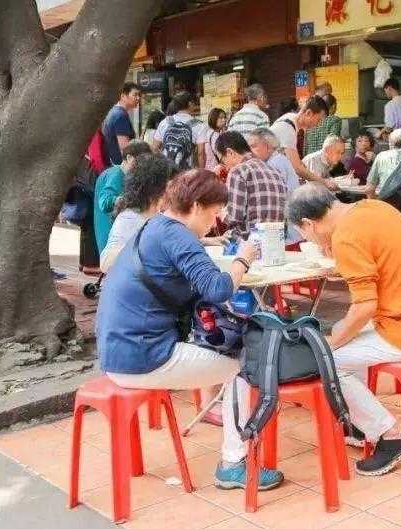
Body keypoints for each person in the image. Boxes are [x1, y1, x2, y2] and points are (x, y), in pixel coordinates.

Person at [94, 170, 281, 491]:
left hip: (117, 353)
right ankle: (234, 463)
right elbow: (219, 289)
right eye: (213, 214)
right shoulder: (178, 235)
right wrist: (243, 260)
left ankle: (233, 447)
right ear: (195, 206)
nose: (215, 223)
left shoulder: (154, 227)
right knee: (248, 362)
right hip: (144, 357)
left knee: (233, 352)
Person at [287, 185, 401, 475]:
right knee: (342, 334)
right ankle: (358, 425)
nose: (308, 239)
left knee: (327, 361)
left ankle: (390, 432)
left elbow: (364, 308)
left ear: (309, 224)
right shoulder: (373, 208)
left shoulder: (347, 236)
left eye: (305, 234)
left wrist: (329, 344)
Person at [100, 154, 179, 272]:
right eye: (171, 186)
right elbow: (106, 262)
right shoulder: (130, 217)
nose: (175, 192)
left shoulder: (154, 215)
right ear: (154, 188)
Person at [214, 131, 287, 240]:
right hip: (276, 243)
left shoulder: (238, 172)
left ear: (230, 152)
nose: (224, 165)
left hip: (249, 246)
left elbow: (233, 218)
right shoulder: (276, 172)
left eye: (221, 160)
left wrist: (218, 211)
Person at [245, 128, 303, 247]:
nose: (250, 152)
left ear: (267, 146)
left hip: (287, 235)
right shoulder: (278, 160)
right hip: (288, 229)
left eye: (253, 146)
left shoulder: (274, 165)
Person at [94, 141, 153, 255]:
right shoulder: (116, 174)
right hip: (111, 235)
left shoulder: (118, 173)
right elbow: (105, 202)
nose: (144, 166)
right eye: (142, 161)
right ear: (130, 158)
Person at [270, 95, 336, 189]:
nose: (317, 125)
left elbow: (294, 161)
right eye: (318, 120)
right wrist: (324, 182)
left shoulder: (290, 118)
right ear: (308, 113)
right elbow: (298, 168)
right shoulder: (288, 128)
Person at [155, 92, 207, 169]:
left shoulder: (165, 122)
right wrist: (202, 172)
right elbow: (201, 153)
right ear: (190, 103)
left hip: (167, 171)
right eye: (194, 103)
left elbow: (155, 148)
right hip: (186, 172)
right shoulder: (199, 125)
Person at [101, 82, 142, 166]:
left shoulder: (113, 111)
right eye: (135, 95)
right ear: (123, 96)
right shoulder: (120, 115)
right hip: (121, 166)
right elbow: (125, 148)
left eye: (139, 95)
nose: (138, 98)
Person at [366, 128, 401, 197]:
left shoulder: (381, 156)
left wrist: (372, 202)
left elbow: (370, 187)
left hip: (385, 199)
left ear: (390, 143)